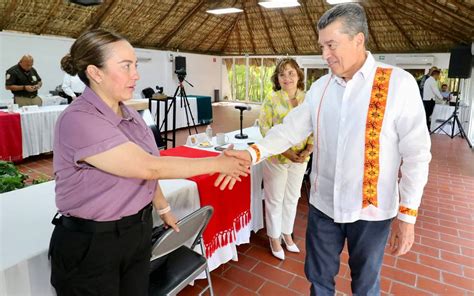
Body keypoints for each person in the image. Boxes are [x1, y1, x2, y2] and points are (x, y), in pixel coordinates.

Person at [218, 3, 431, 295]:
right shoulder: (321, 88)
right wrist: (251, 153)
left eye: (331, 45)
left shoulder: (398, 84)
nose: (324, 55)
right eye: (322, 46)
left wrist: (407, 217)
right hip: (323, 206)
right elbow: (289, 129)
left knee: (366, 284)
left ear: (358, 39)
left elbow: (417, 154)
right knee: (318, 279)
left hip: (371, 210)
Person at [49, 28, 249, 296]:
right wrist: (218, 163)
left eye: (135, 65)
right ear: (95, 72)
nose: (136, 75)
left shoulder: (130, 115)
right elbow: (147, 166)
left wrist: (163, 209)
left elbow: (147, 169)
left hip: (136, 232)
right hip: (93, 243)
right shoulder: (78, 119)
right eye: (126, 66)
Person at [260, 58, 313, 260]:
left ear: (299, 75)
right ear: (277, 78)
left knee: (292, 198)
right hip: (276, 159)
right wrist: (284, 151)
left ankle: (287, 234)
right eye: (282, 74)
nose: (287, 78)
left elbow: (315, 124)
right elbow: (264, 129)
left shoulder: (308, 99)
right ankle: (274, 238)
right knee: (275, 199)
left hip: (300, 159)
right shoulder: (271, 99)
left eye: (291, 73)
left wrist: (309, 148)